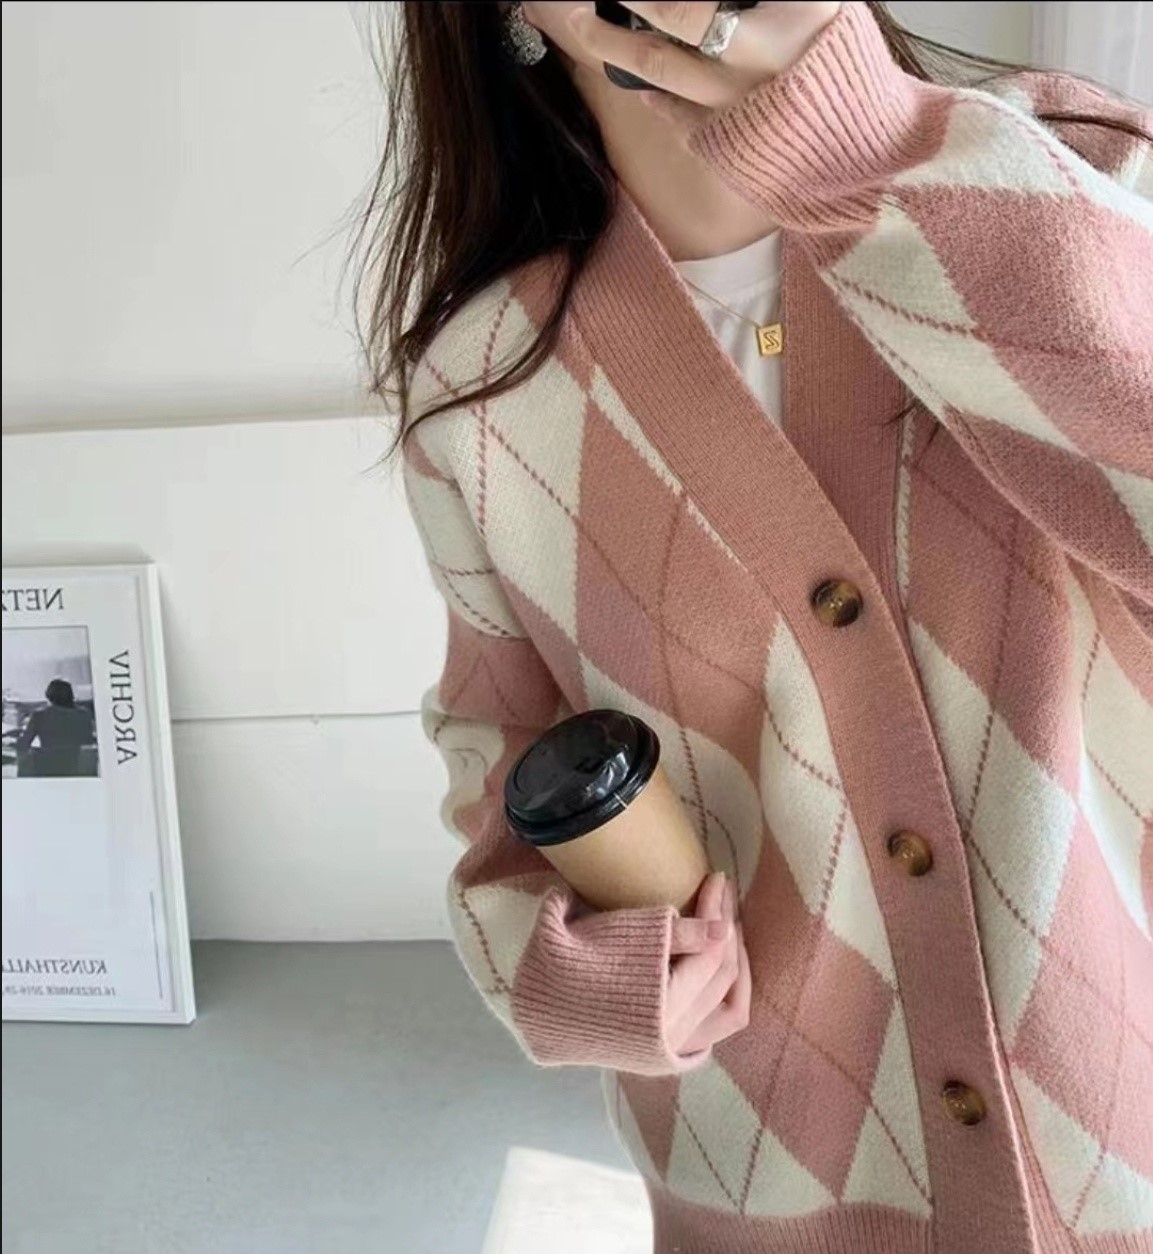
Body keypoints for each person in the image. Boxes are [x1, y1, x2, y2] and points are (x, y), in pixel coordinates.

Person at [357, 3, 1153, 1250]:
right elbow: (503, 779)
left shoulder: (1076, 175)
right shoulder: (482, 395)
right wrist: (571, 974)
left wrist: (862, 145)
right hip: (770, 1192)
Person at [16, 678, 96, 778]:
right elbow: (88, 741)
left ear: (49, 696)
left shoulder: (39, 715)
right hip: (74, 767)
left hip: (45, 768)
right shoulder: (84, 715)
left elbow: (24, 743)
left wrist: (17, 737)